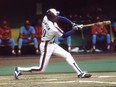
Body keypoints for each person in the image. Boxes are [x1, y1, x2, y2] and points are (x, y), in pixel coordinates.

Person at [14, 8, 91, 79]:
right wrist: (75, 29)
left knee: (67, 55)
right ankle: (18, 69)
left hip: (52, 44)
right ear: (52, 17)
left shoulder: (46, 17)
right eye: (55, 16)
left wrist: (73, 24)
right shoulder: (53, 28)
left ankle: (80, 73)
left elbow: (61, 18)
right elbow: (64, 35)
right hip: (46, 46)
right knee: (41, 69)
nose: (57, 17)